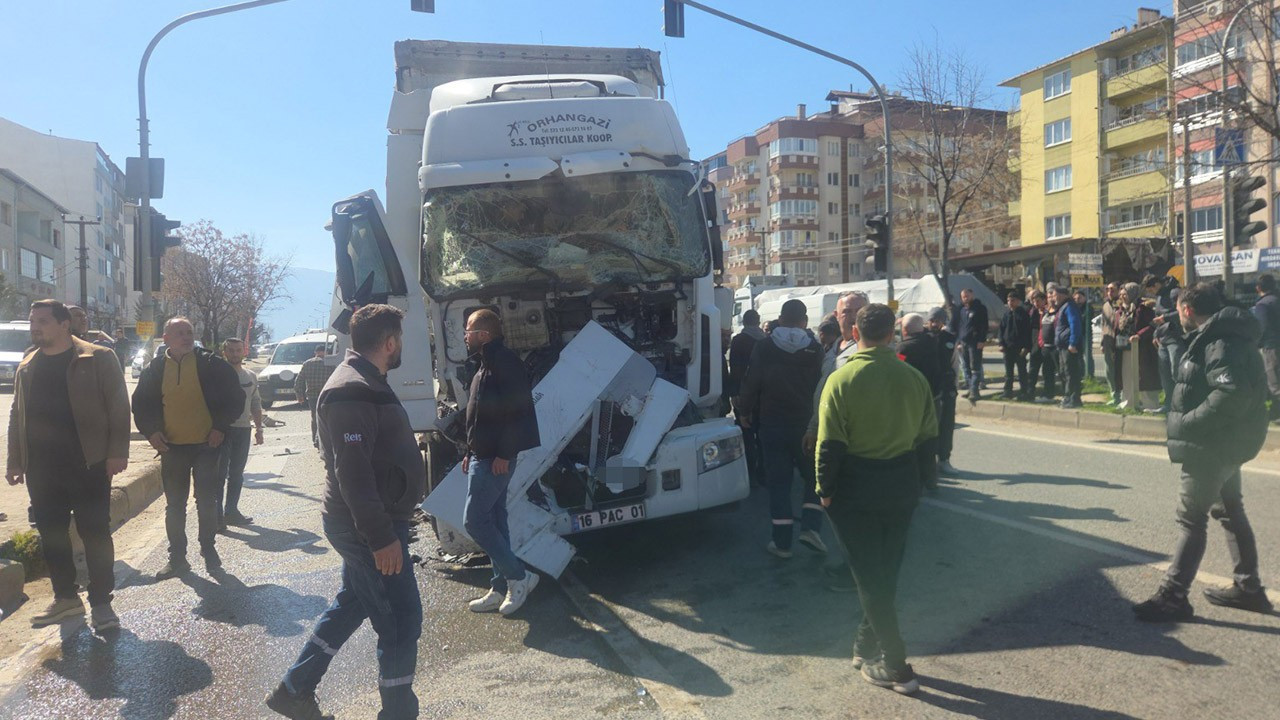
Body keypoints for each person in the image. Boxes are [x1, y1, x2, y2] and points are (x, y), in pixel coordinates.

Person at [270, 304, 426, 720]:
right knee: (400, 620)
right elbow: (352, 473)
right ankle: (398, 713)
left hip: (369, 521)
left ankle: (294, 689)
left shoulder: (365, 380)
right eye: (400, 341)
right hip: (366, 526)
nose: (400, 348)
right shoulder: (350, 389)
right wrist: (381, 538)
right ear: (390, 342)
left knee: (351, 604)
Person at [816, 303, 937, 695]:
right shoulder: (914, 378)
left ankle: (897, 665)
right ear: (892, 335)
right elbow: (926, 440)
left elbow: (829, 444)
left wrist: (825, 490)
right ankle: (865, 644)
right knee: (885, 570)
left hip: (856, 488)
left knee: (869, 576)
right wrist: (923, 485)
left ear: (854, 334)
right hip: (901, 485)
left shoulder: (842, 379)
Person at [1133, 283, 1272, 622]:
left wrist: (1190, 423)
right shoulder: (1224, 335)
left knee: (1191, 519)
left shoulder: (1218, 341)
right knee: (1229, 510)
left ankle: (1173, 596)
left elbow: (1230, 394)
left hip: (1210, 445)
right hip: (1226, 442)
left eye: (1178, 309)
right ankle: (1249, 587)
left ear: (1187, 310)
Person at [5, 299, 130, 632]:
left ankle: (102, 604)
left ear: (64, 324)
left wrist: (118, 451)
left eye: (43, 321)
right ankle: (66, 599)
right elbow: (17, 414)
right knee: (52, 536)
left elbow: (118, 406)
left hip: (88, 464)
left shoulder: (97, 357)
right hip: (42, 469)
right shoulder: (28, 364)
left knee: (95, 533)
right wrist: (15, 461)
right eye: (33, 321)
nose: (35, 327)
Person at [132, 317, 244, 578]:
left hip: (207, 446)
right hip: (172, 449)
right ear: (166, 337)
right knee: (175, 505)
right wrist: (151, 433)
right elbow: (141, 405)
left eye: (189, 332)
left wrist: (220, 427)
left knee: (206, 501)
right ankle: (177, 558)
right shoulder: (155, 368)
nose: (185, 337)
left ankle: (208, 548)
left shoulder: (211, 365)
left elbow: (234, 398)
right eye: (179, 332)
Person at [460, 309, 543, 615]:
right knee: (495, 520)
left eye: (469, 330)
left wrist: (505, 454)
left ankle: (519, 576)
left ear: (484, 334)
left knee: (474, 520)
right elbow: (482, 415)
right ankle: (499, 587)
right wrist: (469, 450)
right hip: (482, 456)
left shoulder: (504, 362)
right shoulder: (485, 364)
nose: (465, 336)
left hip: (496, 458)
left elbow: (517, 411)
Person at [738, 298, 826, 559]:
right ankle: (810, 526)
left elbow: (751, 382)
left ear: (780, 318)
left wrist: (744, 412)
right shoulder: (814, 348)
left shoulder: (764, 346)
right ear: (804, 320)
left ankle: (782, 543)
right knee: (813, 478)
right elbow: (821, 385)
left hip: (772, 425)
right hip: (805, 426)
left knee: (779, 483)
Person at [219, 338, 264, 528]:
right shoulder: (217, 375)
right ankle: (216, 517)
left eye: (238, 350)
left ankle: (231, 512)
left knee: (236, 474)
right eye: (231, 350)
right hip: (221, 430)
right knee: (219, 475)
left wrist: (259, 429)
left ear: (244, 352)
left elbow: (255, 403)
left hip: (243, 430)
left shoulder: (250, 376)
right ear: (225, 352)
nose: (235, 354)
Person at [728, 310, 766, 484]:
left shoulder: (739, 340)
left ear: (744, 322)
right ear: (758, 322)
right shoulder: (767, 340)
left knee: (747, 434)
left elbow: (735, 368)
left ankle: (749, 472)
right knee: (763, 434)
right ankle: (763, 472)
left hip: (744, 393)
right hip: (764, 394)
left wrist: (734, 392)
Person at [1114, 283, 1160, 411]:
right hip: (1124, 347)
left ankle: (1150, 404)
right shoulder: (1121, 310)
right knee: (1127, 374)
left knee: (1145, 376)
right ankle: (1128, 401)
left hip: (1142, 348)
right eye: (1122, 294)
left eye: (1126, 294)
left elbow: (1152, 325)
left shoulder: (1143, 308)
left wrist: (1139, 335)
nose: (1123, 297)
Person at [926, 308, 959, 476]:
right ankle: (927, 460)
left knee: (946, 424)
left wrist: (955, 385)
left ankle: (944, 459)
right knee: (928, 426)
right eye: (932, 320)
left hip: (946, 387)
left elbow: (955, 364)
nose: (934, 323)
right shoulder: (922, 339)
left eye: (938, 320)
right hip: (928, 388)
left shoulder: (949, 339)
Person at [1251, 273, 1280, 422]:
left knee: (1273, 381)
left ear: (1258, 288)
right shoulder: (1276, 300)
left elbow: (1261, 328)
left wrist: (1256, 344)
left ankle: (1277, 414)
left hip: (1270, 346)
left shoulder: (1262, 304)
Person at [952, 288, 988, 403]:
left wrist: (982, 340)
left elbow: (984, 325)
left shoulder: (980, 308)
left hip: (975, 342)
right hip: (963, 343)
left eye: (967, 296)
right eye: (963, 296)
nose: (965, 298)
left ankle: (974, 391)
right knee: (966, 368)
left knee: (975, 368)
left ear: (972, 295)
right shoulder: (960, 309)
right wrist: (957, 341)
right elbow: (957, 326)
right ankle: (970, 388)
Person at [295, 345, 335, 449]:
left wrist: (300, 395)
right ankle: (326, 440)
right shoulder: (331, 364)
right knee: (328, 417)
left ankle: (315, 441)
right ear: (325, 352)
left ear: (315, 352)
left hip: (312, 396)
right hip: (328, 394)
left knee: (315, 417)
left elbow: (298, 381)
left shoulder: (307, 363)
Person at [1054, 286, 1085, 408]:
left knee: (1071, 372)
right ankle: (1067, 397)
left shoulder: (1070, 306)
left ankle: (1074, 399)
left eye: (1055, 295)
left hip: (1069, 346)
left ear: (1062, 295)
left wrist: (1072, 343)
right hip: (1062, 346)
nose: (1053, 297)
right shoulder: (1063, 307)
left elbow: (1075, 325)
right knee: (1064, 372)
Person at [997, 292, 1032, 400]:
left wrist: (1026, 347)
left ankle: (1024, 392)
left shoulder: (1023, 314)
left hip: (1019, 347)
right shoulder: (1006, 314)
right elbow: (1001, 330)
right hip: (1008, 347)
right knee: (1008, 372)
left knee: (1022, 371)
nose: (1010, 303)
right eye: (1008, 301)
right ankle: (1008, 391)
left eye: (1012, 300)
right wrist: (1001, 343)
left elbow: (1027, 332)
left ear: (1018, 301)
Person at [1029, 290, 1058, 401]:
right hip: (1036, 345)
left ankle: (1048, 394)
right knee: (1032, 370)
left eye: (1038, 301)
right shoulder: (1033, 313)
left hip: (1047, 345)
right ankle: (1030, 392)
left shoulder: (1049, 312)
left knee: (1048, 371)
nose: (1036, 303)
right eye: (1034, 301)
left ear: (1044, 301)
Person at [1100, 283, 1122, 405]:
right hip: (1108, 342)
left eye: (1112, 290)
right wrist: (1102, 343)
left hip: (1120, 342)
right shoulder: (1105, 306)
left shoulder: (1122, 304)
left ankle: (1123, 395)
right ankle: (1114, 394)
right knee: (1109, 369)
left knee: (1121, 369)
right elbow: (1104, 325)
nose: (1109, 292)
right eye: (1107, 289)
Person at [1074, 289, 1095, 378]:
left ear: (1084, 298)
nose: (1077, 300)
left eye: (1079, 298)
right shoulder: (1074, 307)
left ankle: (1090, 375)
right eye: (1076, 298)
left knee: (1088, 355)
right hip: (1076, 334)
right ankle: (1081, 374)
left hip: (1086, 334)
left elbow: (1085, 318)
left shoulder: (1088, 306)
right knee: (1078, 356)